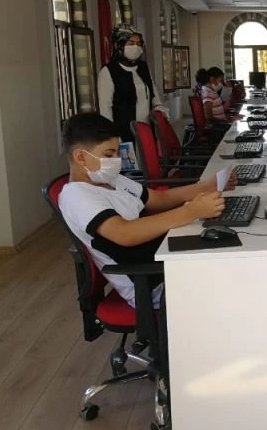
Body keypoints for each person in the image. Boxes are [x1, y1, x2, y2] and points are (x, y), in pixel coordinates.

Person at [58, 113, 235, 308]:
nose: (116, 160)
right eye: (108, 155)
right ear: (81, 156)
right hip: (152, 283)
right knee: (235, 281)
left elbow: (160, 199)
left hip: (165, 258)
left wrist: (207, 186)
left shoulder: (112, 181)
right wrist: (190, 212)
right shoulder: (76, 196)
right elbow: (124, 233)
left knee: (234, 258)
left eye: (117, 153)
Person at [98, 24, 168, 142]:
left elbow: (153, 94)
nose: (136, 47)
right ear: (119, 45)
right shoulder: (109, 71)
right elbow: (105, 108)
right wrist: (113, 138)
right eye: (131, 43)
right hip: (123, 133)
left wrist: (159, 109)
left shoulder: (143, 67)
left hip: (147, 131)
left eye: (139, 44)